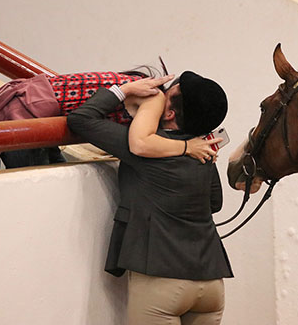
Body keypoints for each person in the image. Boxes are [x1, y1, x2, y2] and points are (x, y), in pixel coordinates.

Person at [67, 71, 233, 325]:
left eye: (166, 93)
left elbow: (80, 118)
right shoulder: (202, 151)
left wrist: (124, 90)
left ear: (169, 113)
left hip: (161, 280)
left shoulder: (145, 148)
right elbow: (215, 203)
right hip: (211, 282)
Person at [0, 69, 220, 168]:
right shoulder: (155, 98)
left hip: (40, 111)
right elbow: (141, 143)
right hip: (29, 112)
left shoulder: (155, 97)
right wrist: (188, 146)